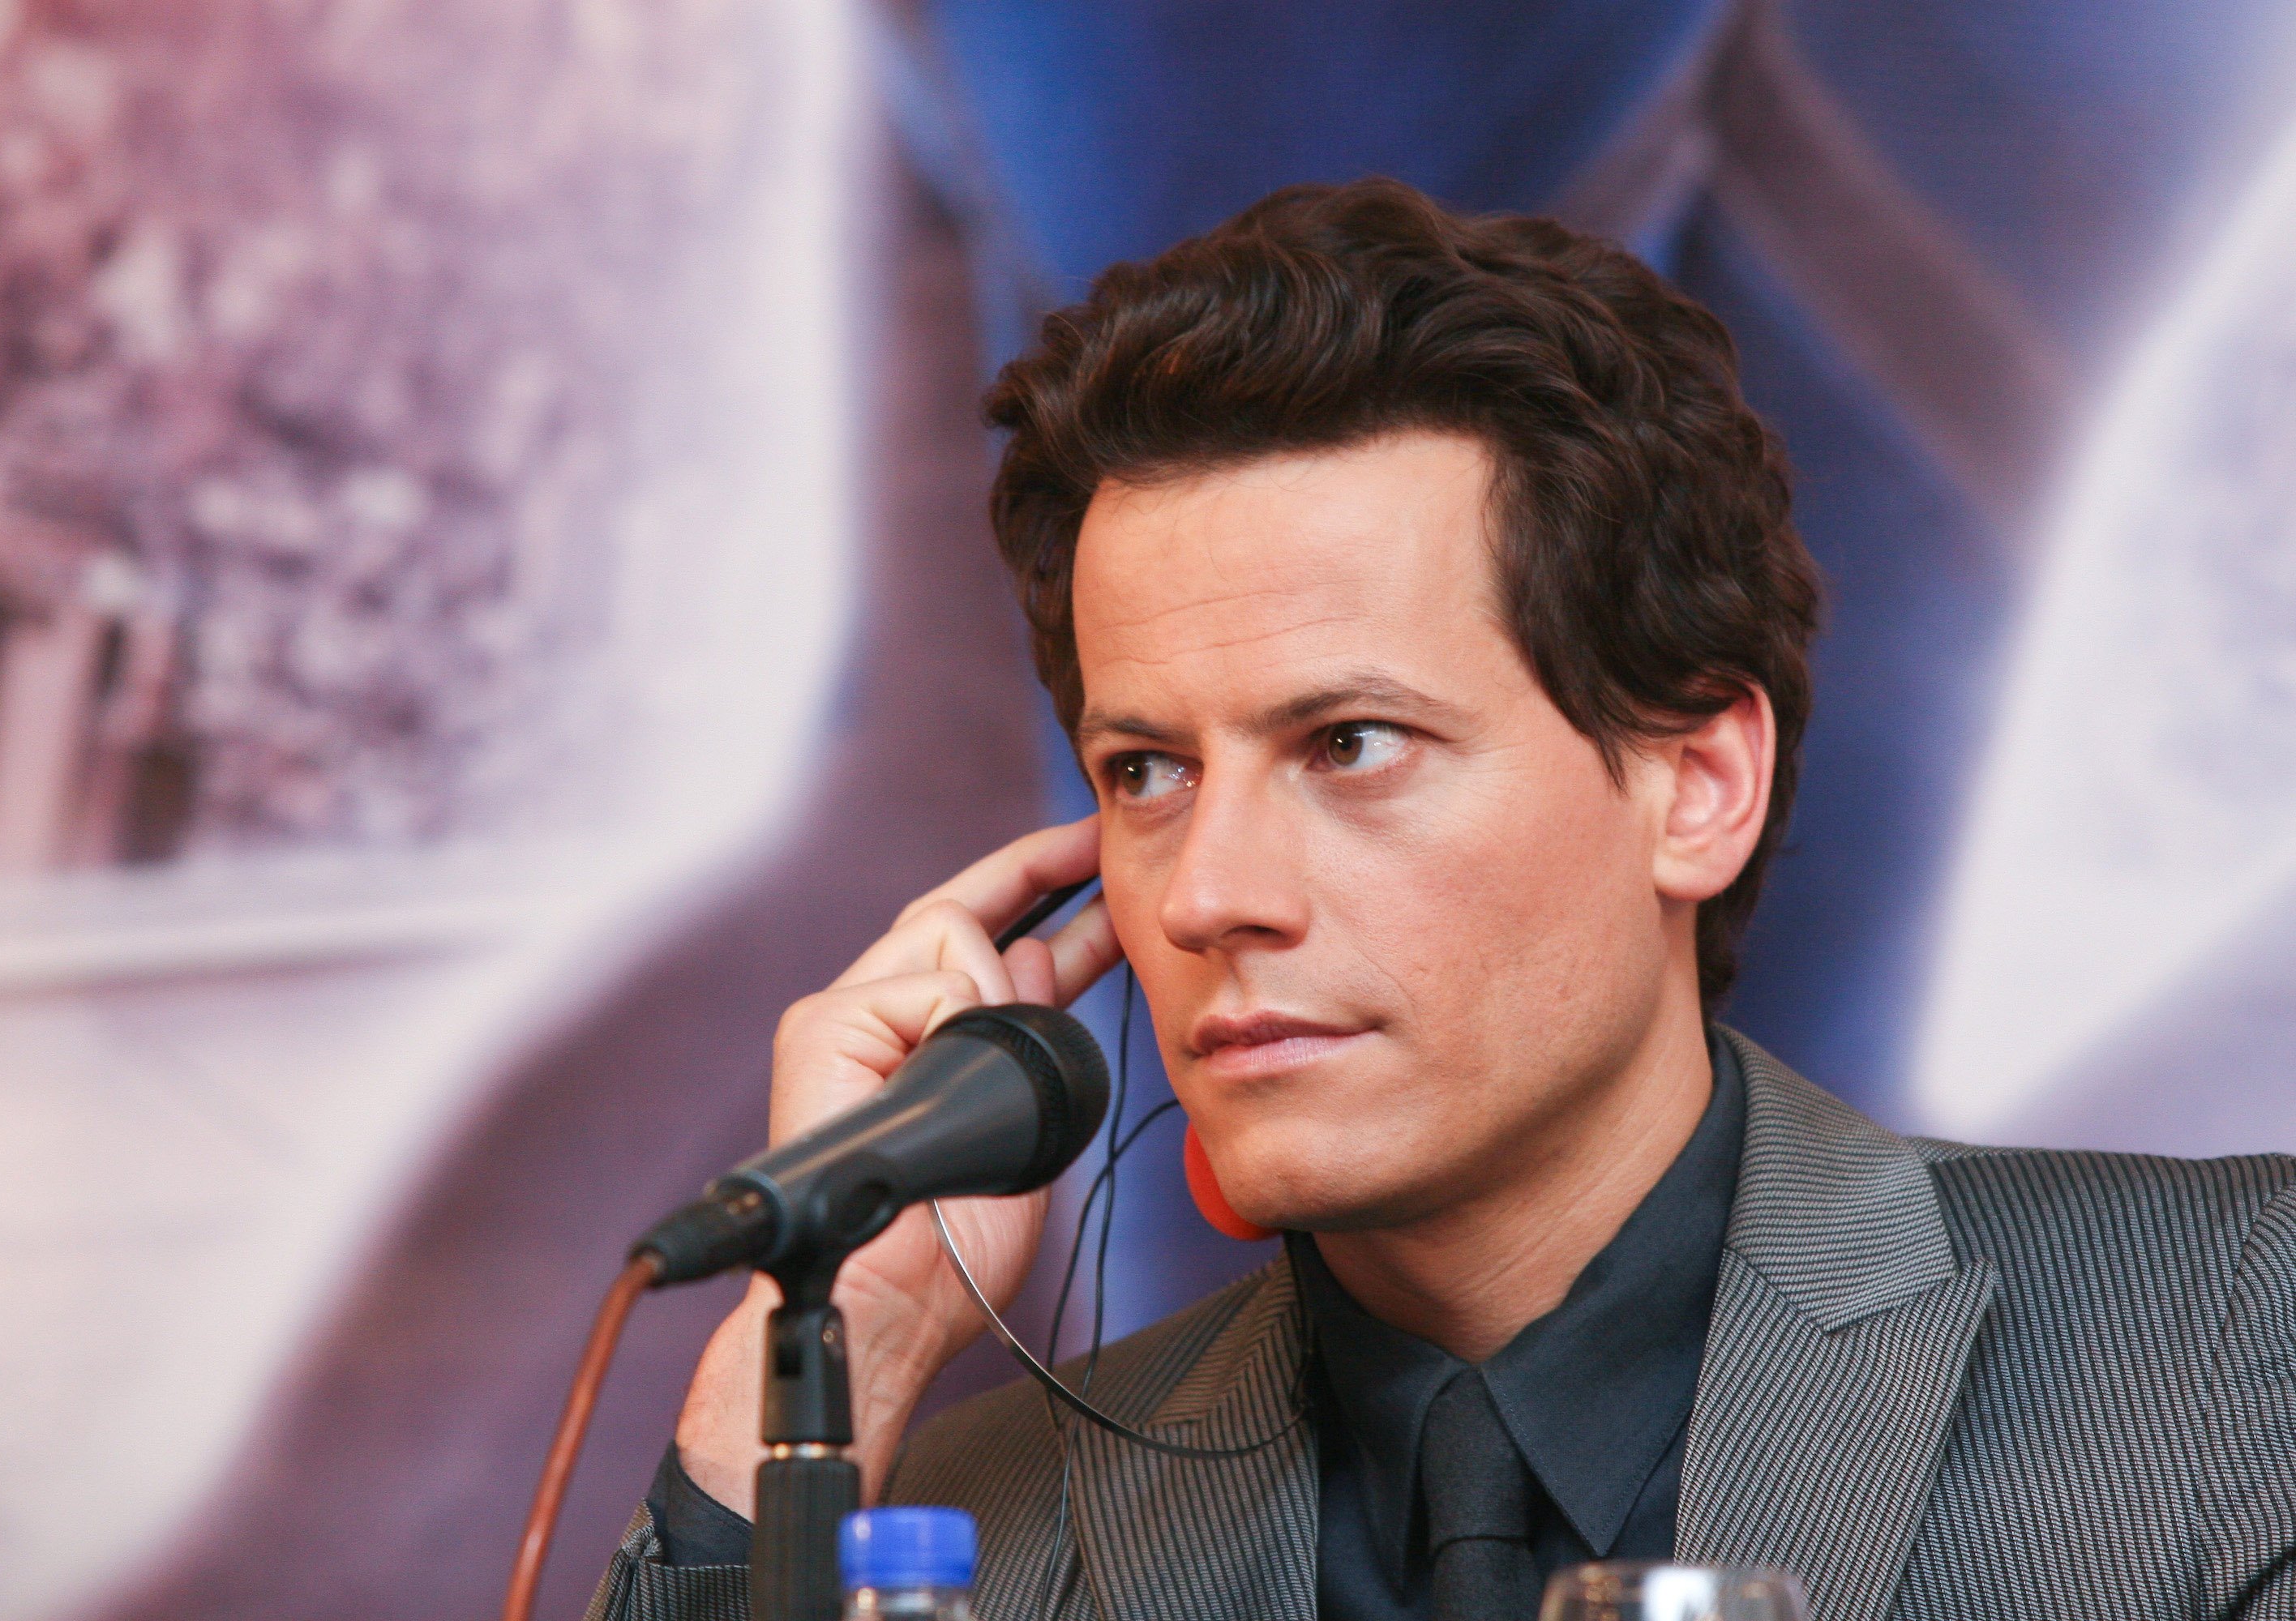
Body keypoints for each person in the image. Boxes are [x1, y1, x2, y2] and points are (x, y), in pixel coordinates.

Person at [588, 180, 2296, 1621]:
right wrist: (844, 1344)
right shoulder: (969, 1516)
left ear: (1697, 785)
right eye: (1147, 771)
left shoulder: (2237, 1352)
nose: (1208, 895)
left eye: (1350, 743)